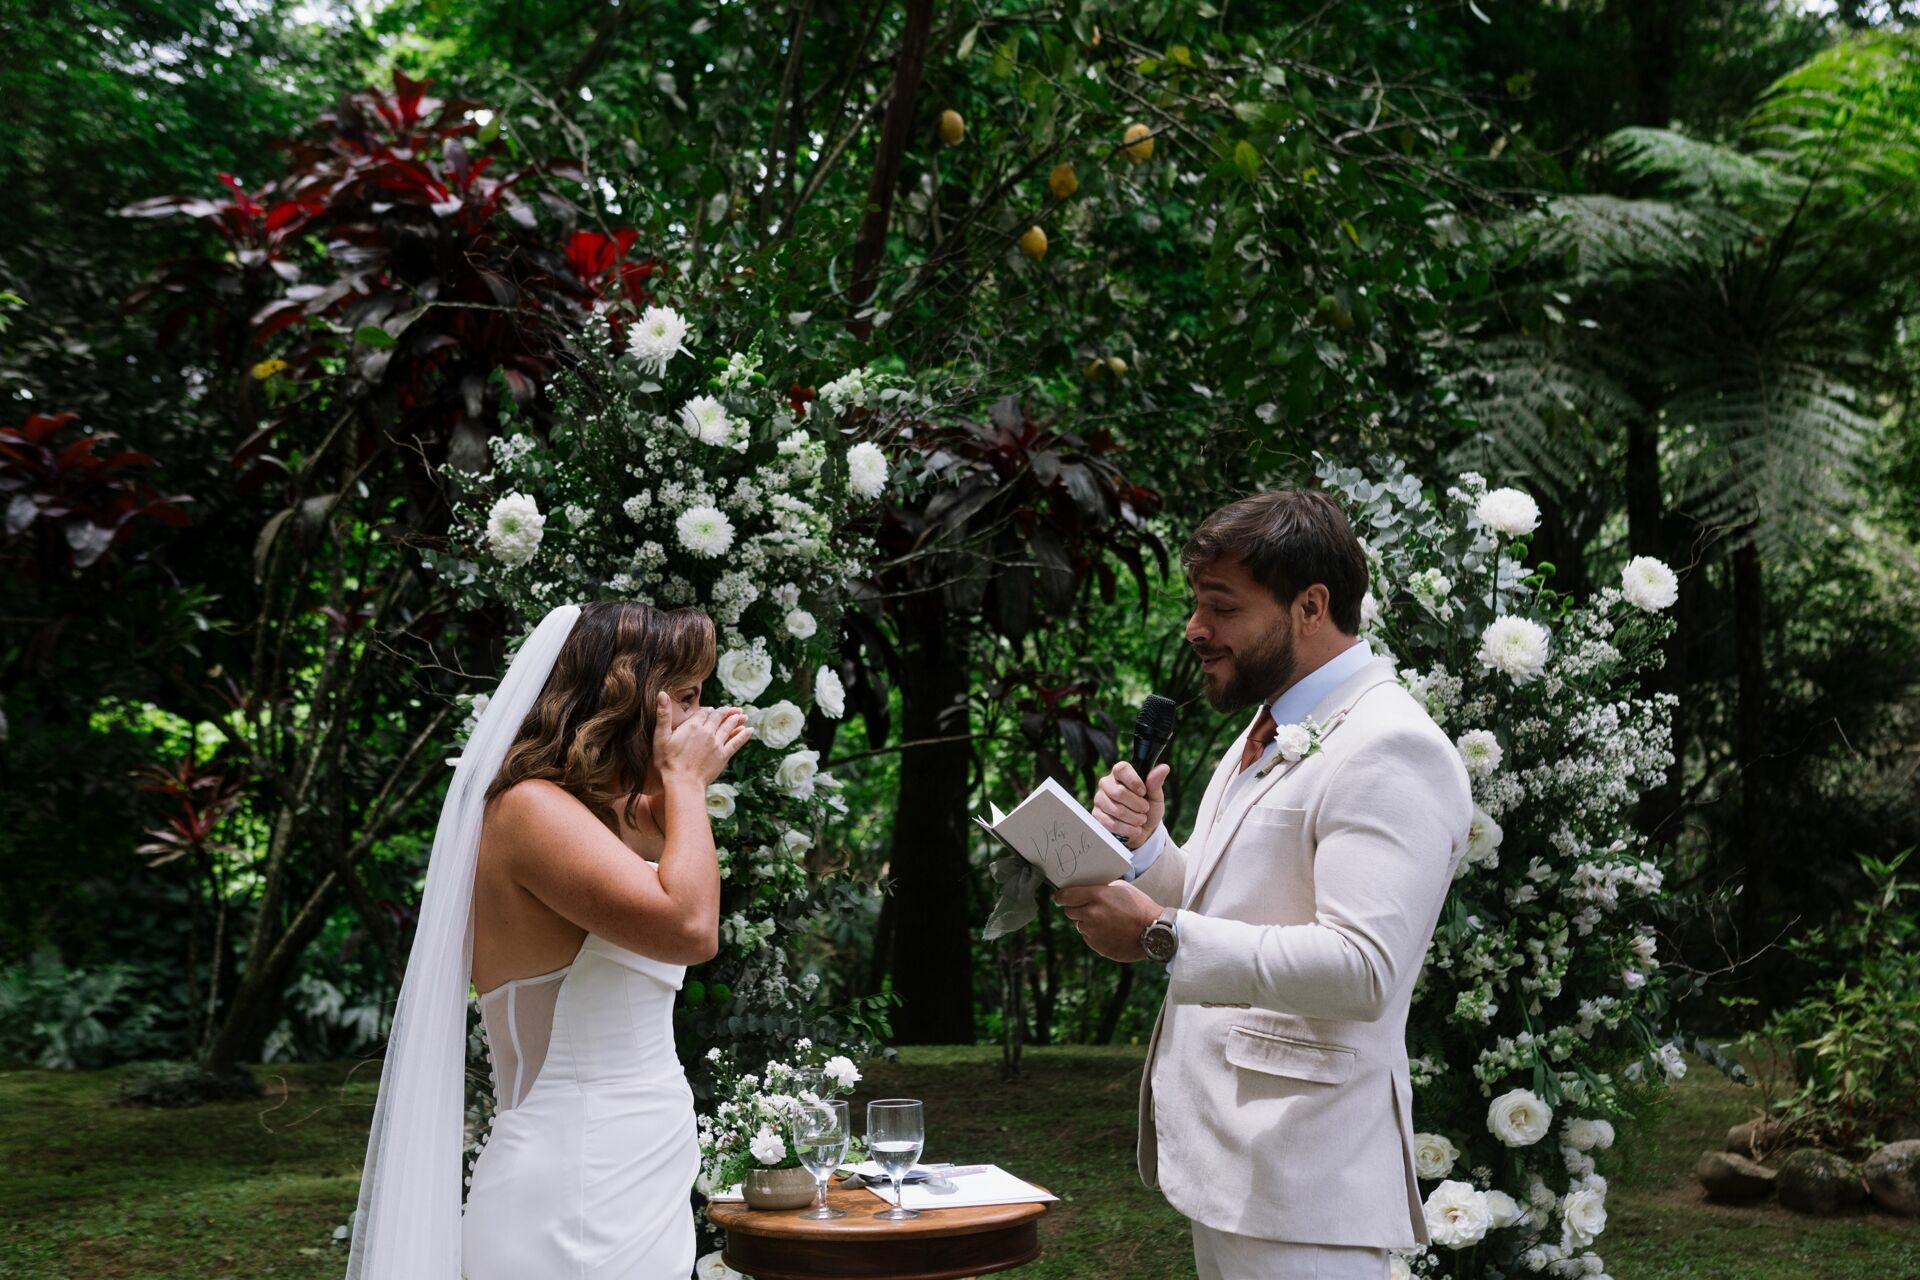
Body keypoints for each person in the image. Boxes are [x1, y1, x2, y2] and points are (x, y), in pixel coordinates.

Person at [1056, 490, 1471, 1280]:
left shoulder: (1391, 748)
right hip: (1238, 1171)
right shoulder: (1269, 725)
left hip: (1308, 1179)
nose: (1195, 630)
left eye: (1223, 607)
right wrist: (1148, 854)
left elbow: (1362, 968)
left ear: (1310, 606)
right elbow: (1231, 900)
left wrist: (1156, 933)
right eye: (1197, 604)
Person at [346, 600, 751, 1280]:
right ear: (625, 697)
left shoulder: (599, 816)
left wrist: (671, 782)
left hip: (630, 1181)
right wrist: (683, 779)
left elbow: (665, 845)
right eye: (686, 696)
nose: (699, 720)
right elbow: (690, 926)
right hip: (576, 1189)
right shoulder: (530, 811)